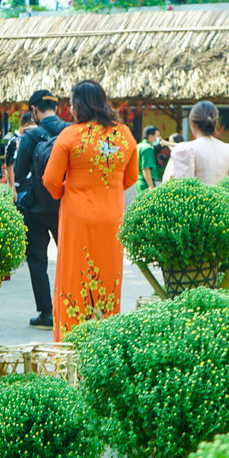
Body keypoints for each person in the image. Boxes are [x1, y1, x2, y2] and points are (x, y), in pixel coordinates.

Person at [41, 79, 137, 341]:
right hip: (111, 218)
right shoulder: (124, 134)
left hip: (78, 219)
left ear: (78, 106)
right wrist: (110, 187)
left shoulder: (70, 135)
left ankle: (72, 347)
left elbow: (50, 180)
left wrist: (66, 193)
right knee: (108, 279)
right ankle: (104, 344)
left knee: (74, 279)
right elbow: (131, 177)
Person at [16, 90, 67, 329]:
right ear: (55, 108)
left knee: (37, 261)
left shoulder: (31, 135)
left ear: (34, 111)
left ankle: (47, 313)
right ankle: (71, 308)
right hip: (65, 207)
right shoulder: (70, 131)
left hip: (36, 209)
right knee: (69, 258)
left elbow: (18, 172)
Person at [164, 101, 229, 184]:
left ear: (192, 123)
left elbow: (181, 186)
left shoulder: (186, 149)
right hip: (223, 196)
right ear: (216, 123)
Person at [134, 126, 164, 192]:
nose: (159, 138)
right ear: (150, 136)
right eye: (157, 136)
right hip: (146, 182)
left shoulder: (139, 146)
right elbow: (146, 168)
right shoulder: (147, 149)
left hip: (139, 180)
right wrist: (151, 186)